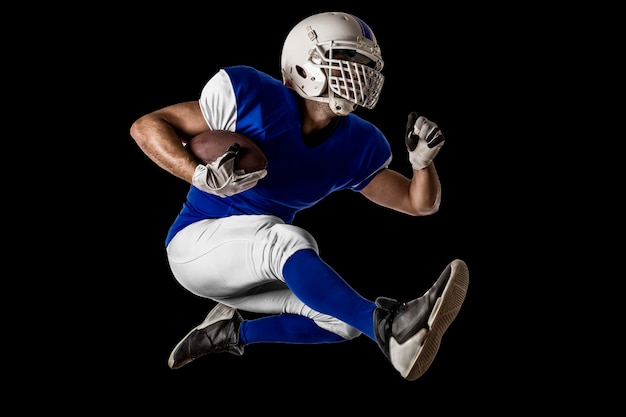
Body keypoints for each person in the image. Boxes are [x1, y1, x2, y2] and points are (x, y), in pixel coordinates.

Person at [129, 11, 469, 381]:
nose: (361, 72)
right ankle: (391, 328)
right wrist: (196, 173)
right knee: (288, 240)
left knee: (341, 322)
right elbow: (146, 126)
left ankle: (228, 333)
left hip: (253, 263)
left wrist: (422, 164)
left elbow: (419, 203)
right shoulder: (253, 97)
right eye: (347, 58)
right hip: (196, 246)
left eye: (366, 63)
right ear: (304, 64)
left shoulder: (357, 143)